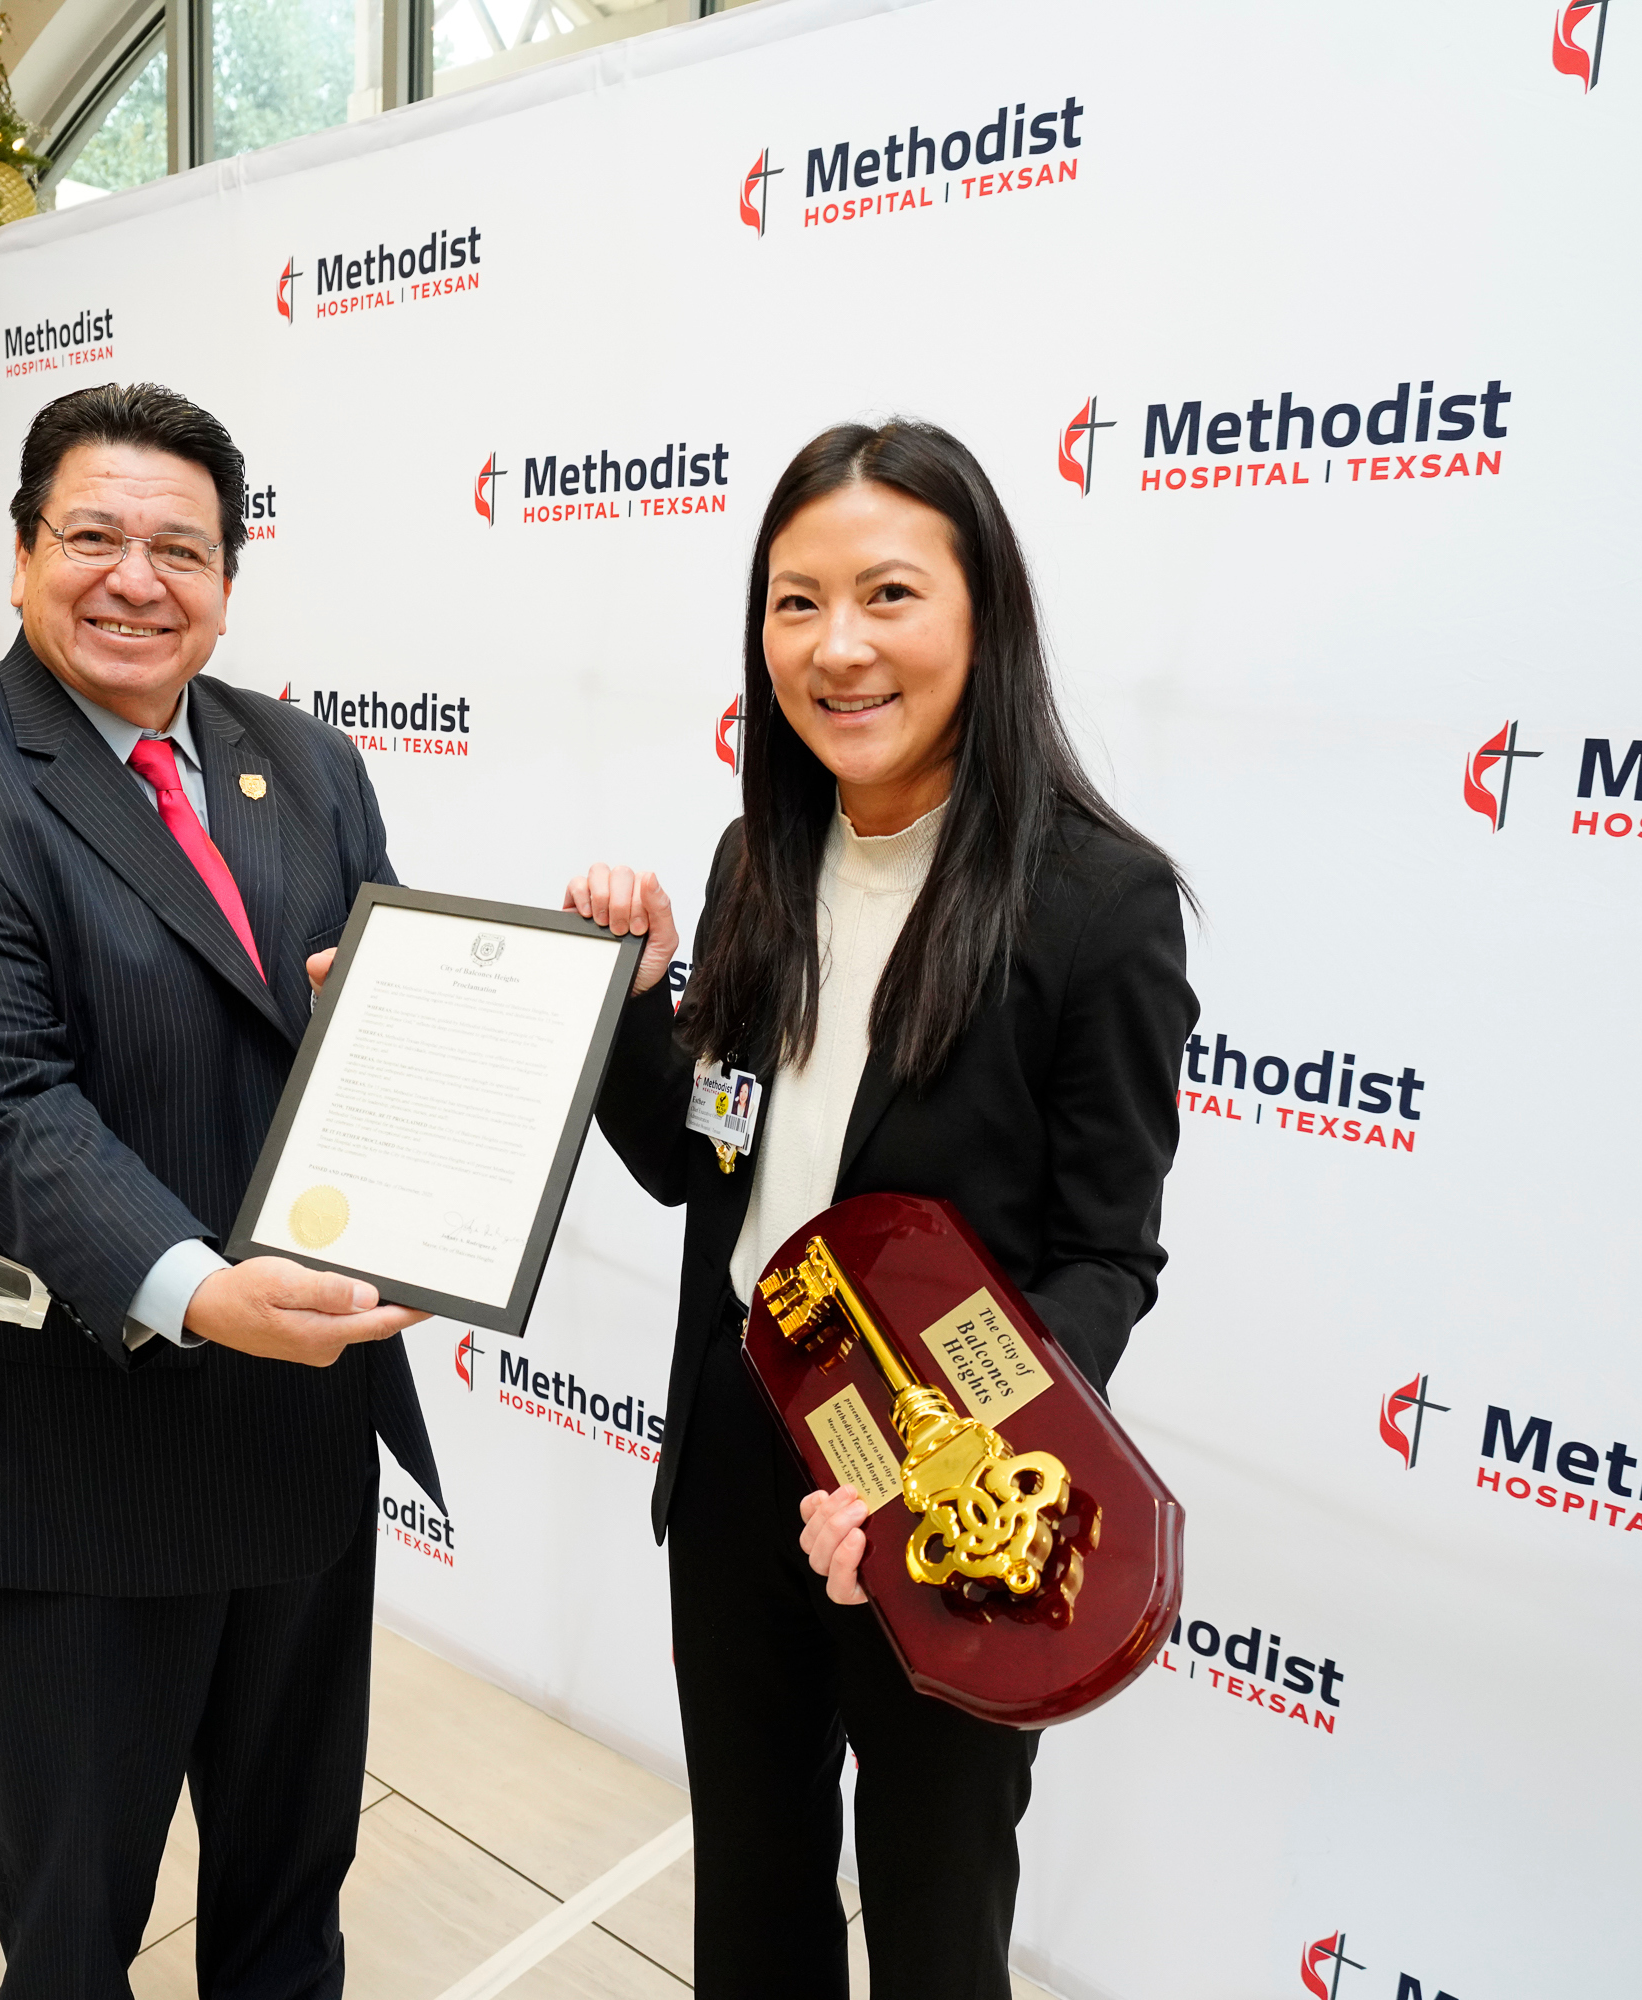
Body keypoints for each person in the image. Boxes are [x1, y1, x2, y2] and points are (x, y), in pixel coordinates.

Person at [0, 381, 438, 1998]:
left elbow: (369, 1030)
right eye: (93, 535)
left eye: (182, 547)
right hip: (75, 1459)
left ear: (229, 579)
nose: (137, 579)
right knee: (78, 1919)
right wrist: (197, 1290)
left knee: (294, 1896)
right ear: (20, 556)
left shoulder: (304, 760)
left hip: (301, 1435)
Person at [571, 419, 1196, 1998]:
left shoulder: (1096, 904)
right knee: (758, 1897)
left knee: (934, 1921)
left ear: (984, 617)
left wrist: (935, 1480)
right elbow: (698, 1166)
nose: (838, 647)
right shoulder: (756, 860)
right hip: (736, 1459)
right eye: (795, 602)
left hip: (954, 1500)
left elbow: (1108, 1256)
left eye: (888, 595)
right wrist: (634, 1006)